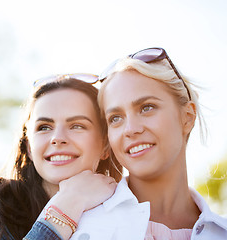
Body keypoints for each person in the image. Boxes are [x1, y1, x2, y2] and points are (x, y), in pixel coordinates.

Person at [68, 47, 227, 239]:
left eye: (147, 108)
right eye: (115, 118)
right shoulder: (79, 228)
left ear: (187, 117)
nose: (130, 129)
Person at [0, 76, 122, 240]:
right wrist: (67, 207)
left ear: (105, 145)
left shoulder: (129, 209)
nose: (57, 138)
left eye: (77, 126)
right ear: (28, 146)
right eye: (44, 127)